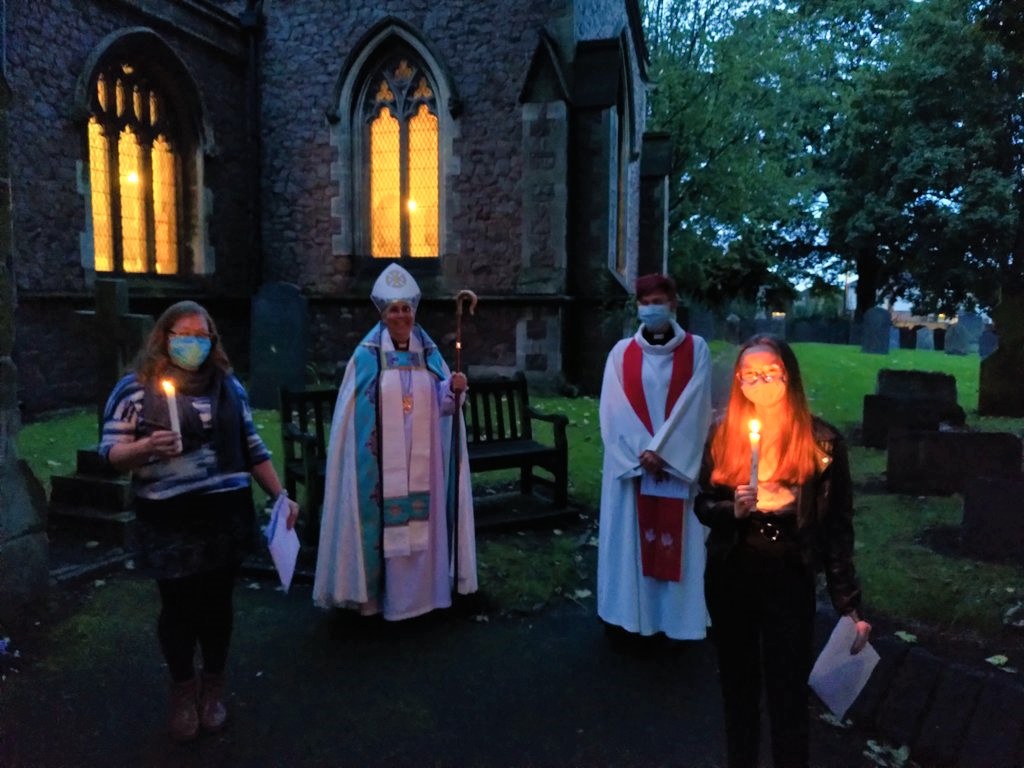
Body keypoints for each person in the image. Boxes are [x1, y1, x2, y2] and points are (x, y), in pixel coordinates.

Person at [100, 300, 299, 742]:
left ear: (212, 340)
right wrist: (146, 447)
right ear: (164, 337)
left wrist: (280, 495)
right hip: (171, 521)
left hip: (226, 516)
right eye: (184, 335)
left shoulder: (229, 387)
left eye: (202, 335)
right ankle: (182, 691)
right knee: (178, 608)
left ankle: (213, 689)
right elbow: (111, 454)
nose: (194, 343)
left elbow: (252, 448)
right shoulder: (133, 390)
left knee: (217, 606)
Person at [695, 334, 872, 768]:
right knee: (738, 687)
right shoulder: (724, 433)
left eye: (770, 372)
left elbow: (837, 526)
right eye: (750, 374)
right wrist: (731, 510)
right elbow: (703, 503)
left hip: (789, 571)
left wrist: (848, 604)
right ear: (739, 381)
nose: (760, 381)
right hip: (733, 569)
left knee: (787, 690)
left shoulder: (822, 442)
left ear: (788, 375)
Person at [313, 263, 477, 620]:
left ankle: (427, 596)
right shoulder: (366, 356)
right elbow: (355, 412)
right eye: (393, 310)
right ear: (382, 314)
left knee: (426, 523)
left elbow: (445, 405)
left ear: (414, 312)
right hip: (382, 467)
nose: (401, 316)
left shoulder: (428, 353)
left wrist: (454, 389)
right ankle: (377, 597)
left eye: (406, 309)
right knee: (383, 525)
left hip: (425, 465)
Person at [597, 273, 713, 643]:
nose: (651, 309)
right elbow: (613, 408)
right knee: (631, 541)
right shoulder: (621, 354)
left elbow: (697, 405)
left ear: (673, 304)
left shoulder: (696, 349)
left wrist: (662, 453)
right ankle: (630, 617)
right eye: (645, 303)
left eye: (658, 302)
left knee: (678, 542)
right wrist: (641, 454)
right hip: (633, 469)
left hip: (675, 468)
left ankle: (676, 622)